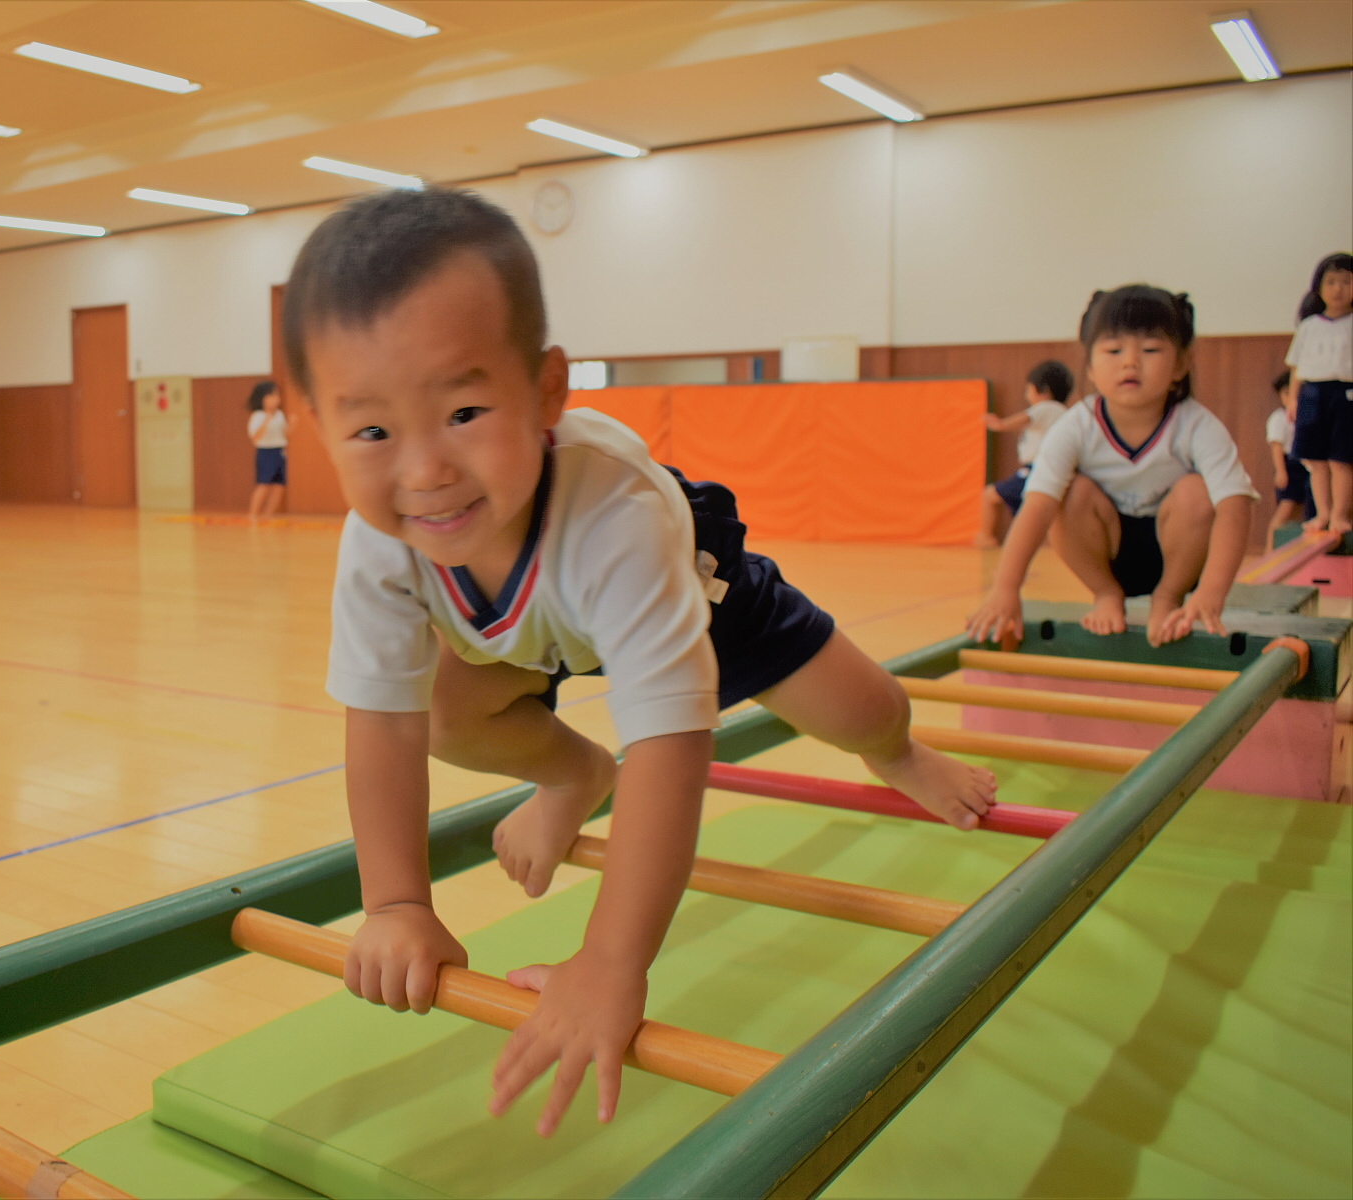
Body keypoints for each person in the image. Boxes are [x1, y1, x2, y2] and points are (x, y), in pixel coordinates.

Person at [286, 188, 996, 1138]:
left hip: (692, 591)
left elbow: (672, 741)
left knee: (865, 709)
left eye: (462, 410)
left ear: (544, 391)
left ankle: (901, 754)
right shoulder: (383, 540)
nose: (423, 470)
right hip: (521, 631)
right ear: (318, 425)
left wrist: (610, 964)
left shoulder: (614, 517)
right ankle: (572, 770)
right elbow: (381, 721)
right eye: (372, 430)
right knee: (448, 715)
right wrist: (397, 903)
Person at [967, 286, 1256, 648]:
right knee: (1065, 493)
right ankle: (1106, 594)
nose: (1130, 361)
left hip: (1177, 555)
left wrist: (1212, 592)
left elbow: (1234, 505)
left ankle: (1167, 598)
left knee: (1199, 492)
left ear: (1181, 364)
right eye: (1114, 350)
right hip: (1108, 551)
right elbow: (1037, 506)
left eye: (1150, 350)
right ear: (1089, 365)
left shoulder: (1197, 425)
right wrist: (1006, 588)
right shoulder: (1075, 426)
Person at [1286, 252, 1353, 534]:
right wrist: (1293, 399)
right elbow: (1297, 367)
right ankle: (1322, 514)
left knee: (1341, 459)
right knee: (1315, 460)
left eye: (1346, 282)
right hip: (1312, 394)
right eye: (1331, 282)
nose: (1338, 289)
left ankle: (1340, 515)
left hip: (1346, 394)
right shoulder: (1308, 326)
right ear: (1319, 287)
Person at [977, 360, 1076, 547]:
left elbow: (1027, 417)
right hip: (1043, 469)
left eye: (1029, 390)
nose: (1027, 396)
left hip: (1036, 470)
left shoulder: (1047, 407)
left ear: (1044, 391)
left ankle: (985, 537)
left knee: (989, 495)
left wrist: (1001, 424)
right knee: (1031, 514)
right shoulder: (1062, 412)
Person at [1266, 368, 1313, 547]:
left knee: (1301, 511)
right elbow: (1276, 447)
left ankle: (1292, 551)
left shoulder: (1306, 417)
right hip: (1289, 465)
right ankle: (1269, 551)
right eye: (1285, 393)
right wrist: (1281, 471)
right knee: (1285, 509)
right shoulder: (1279, 418)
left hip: (1306, 466)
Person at [246, 380, 288, 521]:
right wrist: (267, 420)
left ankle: (268, 516)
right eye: (273, 395)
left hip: (279, 451)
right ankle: (253, 515)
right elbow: (255, 437)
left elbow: (285, 434)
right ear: (264, 398)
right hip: (265, 452)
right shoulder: (258, 416)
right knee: (264, 484)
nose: (277, 399)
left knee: (279, 487)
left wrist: (292, 426)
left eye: (278, 396)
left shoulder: (280, 415)